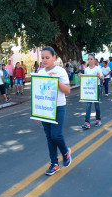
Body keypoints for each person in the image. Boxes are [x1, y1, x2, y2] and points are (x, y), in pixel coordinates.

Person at [37, 46, 72, 175]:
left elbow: (68, 91)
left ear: (54, 58)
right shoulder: (40, 73)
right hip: (45, 109)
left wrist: (56, 82)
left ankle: (65, 152)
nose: (45, 60)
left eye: (47, 57)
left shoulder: (60, 71)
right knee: (49, 137)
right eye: (43, 58)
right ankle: (54, 163)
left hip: (58, 107)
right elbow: (38, 94)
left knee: (56, 135)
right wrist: (37, 114)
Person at [79, 54, 104, 129]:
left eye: (91, 59)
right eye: (88, 59)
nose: (89, 61)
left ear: (94, 60)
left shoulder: (98, 69)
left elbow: (103, 79)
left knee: (96, 105)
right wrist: (81, 76)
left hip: (96, 88)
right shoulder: (86, 69)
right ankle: (87, 122)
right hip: (88, 89)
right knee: (88, 104)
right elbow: (85, 79)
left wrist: (99, 76)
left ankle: (98, 120)